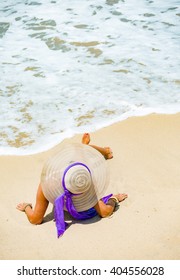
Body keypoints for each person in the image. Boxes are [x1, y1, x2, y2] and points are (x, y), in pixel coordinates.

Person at [17, 133, 128, 237]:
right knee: (80, 153)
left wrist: (114, 198)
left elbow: (105, 213)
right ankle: (88, 146)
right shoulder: (48, 183)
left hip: (78, 172)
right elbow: (36, 220)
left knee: (81, 154)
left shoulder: (84, 182)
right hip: (71, 171)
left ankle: (100, 150)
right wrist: (27, 206)